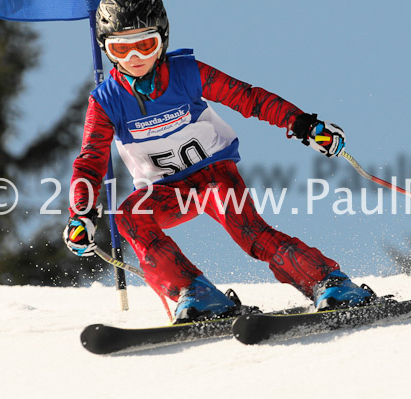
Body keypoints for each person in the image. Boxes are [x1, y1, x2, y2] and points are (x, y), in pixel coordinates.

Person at [63, 0, 374, 323]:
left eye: (145, 45)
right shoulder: (106, 101)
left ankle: (330, 282)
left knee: (249, 234)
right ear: (106, 48)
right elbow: (90, 162)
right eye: (122, 49)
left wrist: (302, 124)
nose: (135, 58)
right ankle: (195, 293)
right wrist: (81, 213)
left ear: (162, 40)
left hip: (214, 176)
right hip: (168, 192)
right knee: (128, 214)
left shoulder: (185, 73)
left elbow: (248, 98)